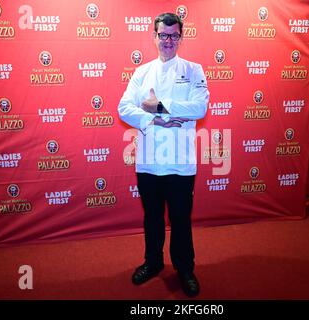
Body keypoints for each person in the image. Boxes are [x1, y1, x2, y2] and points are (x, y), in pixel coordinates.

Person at [118, 12, 209, 297]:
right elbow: (124, 108)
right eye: (163, 35)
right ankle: (153, 262)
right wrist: (155, 119)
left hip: (181, 162)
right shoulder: (142, 72)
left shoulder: (194, 70)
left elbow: (199, 108)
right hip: (149, 160)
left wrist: (158, 106)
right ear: (154, 37)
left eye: (174, 35)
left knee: (181, 218)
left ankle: (185, 268)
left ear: (181, 37)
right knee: (153, 217)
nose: (168, 40)